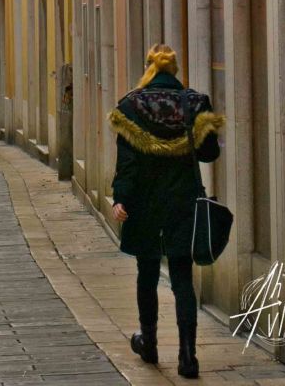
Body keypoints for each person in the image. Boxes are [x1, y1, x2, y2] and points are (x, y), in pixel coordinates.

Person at [109, 44, 224, 380]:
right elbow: (209, 155)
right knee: (182, 278)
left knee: (146, 273)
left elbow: (127, 164)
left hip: (144, 205)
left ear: (149, 68)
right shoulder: (193, 103)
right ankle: (188, 356)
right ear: (174, 69)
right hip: (182, 202)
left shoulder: (131, 106)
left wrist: (120, 199)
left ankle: (150, 342)